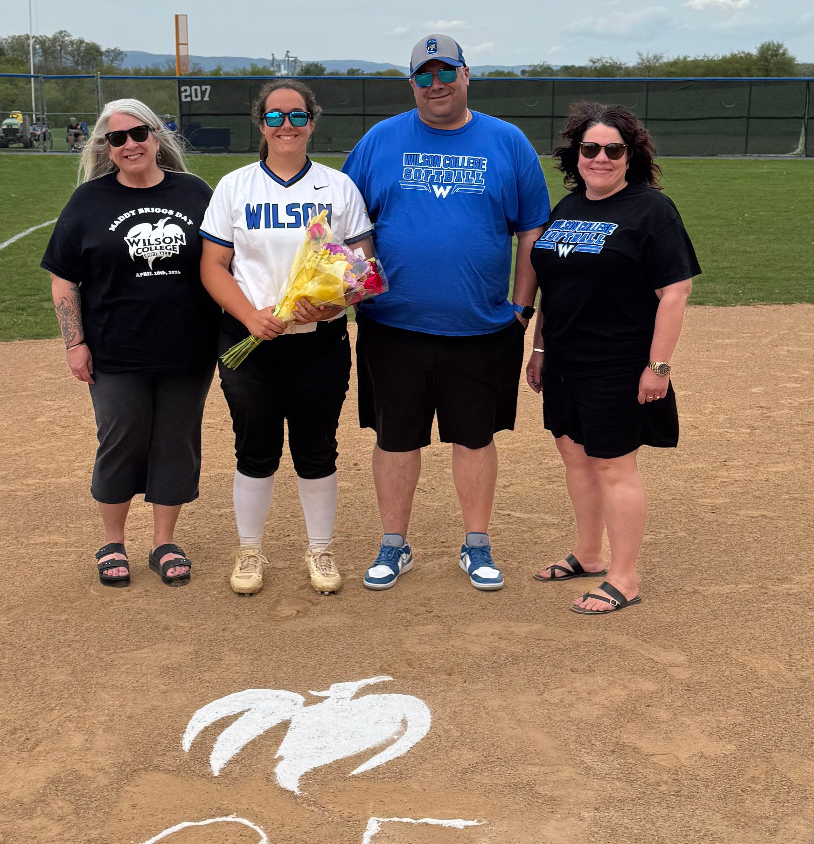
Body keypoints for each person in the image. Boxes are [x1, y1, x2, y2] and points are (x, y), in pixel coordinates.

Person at [341, 34, 549, 592]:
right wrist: (353, 286)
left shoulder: (507, 142)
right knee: (394, 437)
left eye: (445, 72)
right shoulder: (379, 141)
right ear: (412, 84)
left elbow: (532, 227)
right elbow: (342, 224)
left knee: (475, 437)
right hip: (391, 323)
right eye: (423, 76)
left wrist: (522, 307)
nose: (436, 85)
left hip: (481, 325)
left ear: (465, 75)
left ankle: (476, 544)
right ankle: (394, 544)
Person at [199, 80, 375, 596]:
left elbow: (363, 267)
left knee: (316, 447)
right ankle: (250, 550)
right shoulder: (235, 186)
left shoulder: (337, 187)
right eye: (275, 117)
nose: (286, 126)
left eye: (296, 116)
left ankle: (320, 550)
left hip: (318, 341)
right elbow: (213, 266)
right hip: (251, 339)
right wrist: (249, 315)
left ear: (312, 123)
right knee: (255, 447)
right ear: (261, 125)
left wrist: (334, 303)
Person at [525, 102, 700, 615]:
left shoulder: (651, 210)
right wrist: (539, 348)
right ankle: (588, 553)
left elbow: (676, 291)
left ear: (631, 156)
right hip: (563, 360)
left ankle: (624, 577)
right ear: (574, 154)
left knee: (613, 466)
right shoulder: (568, 208)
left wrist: (658, 366)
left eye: (612, 150)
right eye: (589, 148)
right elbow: (553, 289)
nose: (600, 158)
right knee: (575, 457)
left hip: (618, 363)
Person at [39, 98, 218, 589]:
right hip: (115, 349)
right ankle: (112, 541)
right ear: (106, 148)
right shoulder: (89, 201)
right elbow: (62, 278)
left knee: (176, 440)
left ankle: (163, 541)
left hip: (188, 347)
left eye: (138, 133)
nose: (130, 144)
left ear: (157, 136)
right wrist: (74, 343)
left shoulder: (194, 192)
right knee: (122, 438)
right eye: (117, 139)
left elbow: (224, 262)